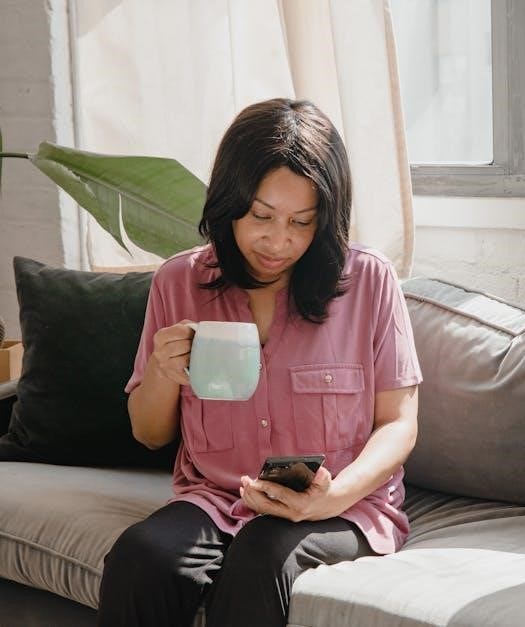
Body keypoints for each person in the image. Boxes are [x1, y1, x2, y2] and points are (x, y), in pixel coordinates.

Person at [97, 98, 422, 627]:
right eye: (261, 216)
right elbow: (149, 434)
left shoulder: (368, 281)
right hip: (215, 499)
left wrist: (331, 498)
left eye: (302, 222)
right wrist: (161, 372)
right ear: (230, 203)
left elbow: (399, 424)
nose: (279, 241)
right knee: (142, 558)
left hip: (343, 507)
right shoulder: (179, 282)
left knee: (260, 558)